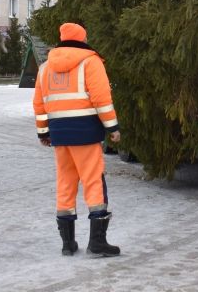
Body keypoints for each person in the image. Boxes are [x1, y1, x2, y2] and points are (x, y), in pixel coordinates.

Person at [33, 22, 122, 257]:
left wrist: (43, 132)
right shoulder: (90, 62)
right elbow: (101, 98)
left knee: (65, 183)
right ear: (82, 39)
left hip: (60, 135)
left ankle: (68, 244)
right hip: (86, 132)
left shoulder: (45, 68)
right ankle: (97, 242)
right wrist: (112, 127)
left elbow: (40, 105)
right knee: (93, 181)